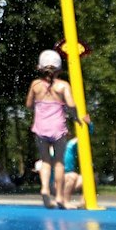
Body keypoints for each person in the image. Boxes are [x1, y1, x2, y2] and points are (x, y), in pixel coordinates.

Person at [26, 49, 75, 209]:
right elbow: (71, 104)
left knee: (45, 160)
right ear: (59, 69)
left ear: (39, 67)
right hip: (57, 127)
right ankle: (60, 196)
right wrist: (74, 116)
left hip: (40, 126)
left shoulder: (35, 85)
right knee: (59, 162)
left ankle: (45, 188)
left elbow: (28, 105)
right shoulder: (63, 85)